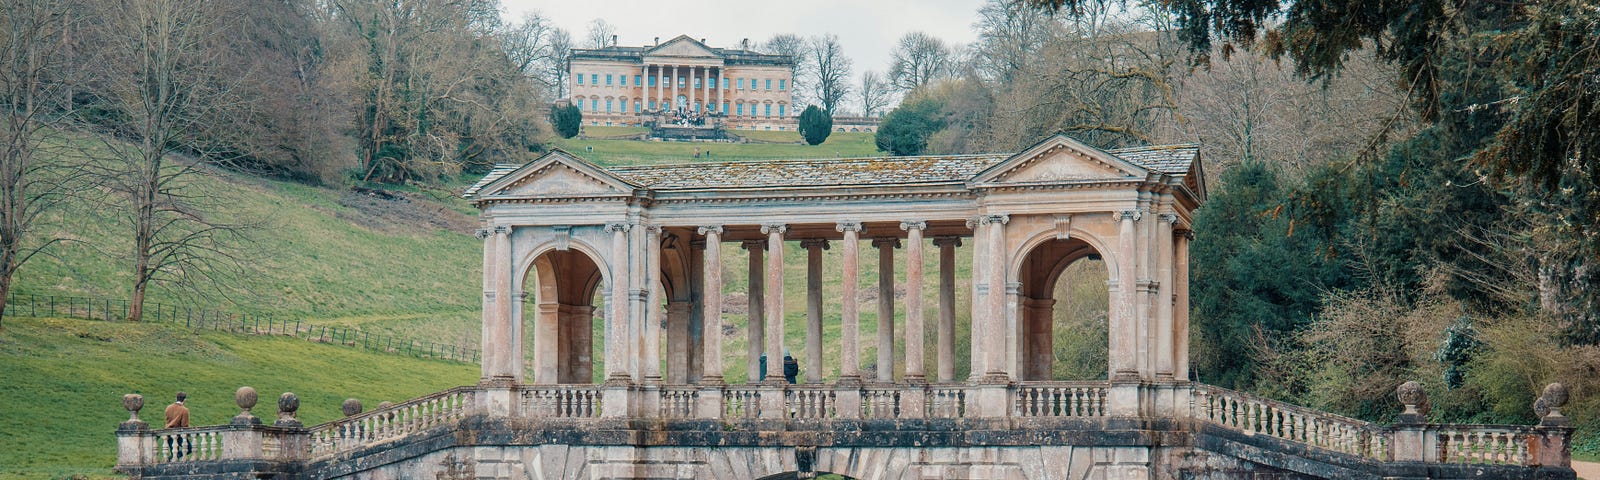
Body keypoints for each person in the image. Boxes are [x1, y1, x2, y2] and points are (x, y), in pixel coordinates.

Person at [164, 392, 192, 458]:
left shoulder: (168, 408)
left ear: (176, 398)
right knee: (189, 448)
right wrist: (188, 435)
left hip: (168, 433)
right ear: (184, 400)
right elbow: (184, 425)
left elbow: (167, 420)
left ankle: (172, 458)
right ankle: (171, 458)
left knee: (173, 450)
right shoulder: (185, 410)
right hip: (179, 434)